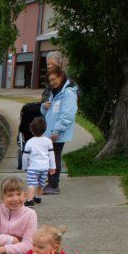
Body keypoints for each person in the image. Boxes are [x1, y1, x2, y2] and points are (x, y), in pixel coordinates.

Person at [40, 67, 78, 195]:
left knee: (54, 157)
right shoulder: (55, 92)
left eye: (54, 79)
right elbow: (48, 112)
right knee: (50, 157)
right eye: (50, 81)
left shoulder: (68, 93)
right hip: (50, 132)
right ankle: (50, 182)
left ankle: (54, 185)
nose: (52, 83)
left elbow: (67, 115)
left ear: (61, 76)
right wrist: (43, 107)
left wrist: (56, 130)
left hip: (57, 133)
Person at [21, 116, 56, 206]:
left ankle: (29, 200)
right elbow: (51, 155)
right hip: (44, 167)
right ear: (45, 129)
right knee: (41, 183)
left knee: (31, 184)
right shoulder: (48, 141)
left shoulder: (30, 142)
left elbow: (25, 156)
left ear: (32, 130)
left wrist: (25, 167)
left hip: (33, 167)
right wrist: (53, 167)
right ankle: (38, 197)